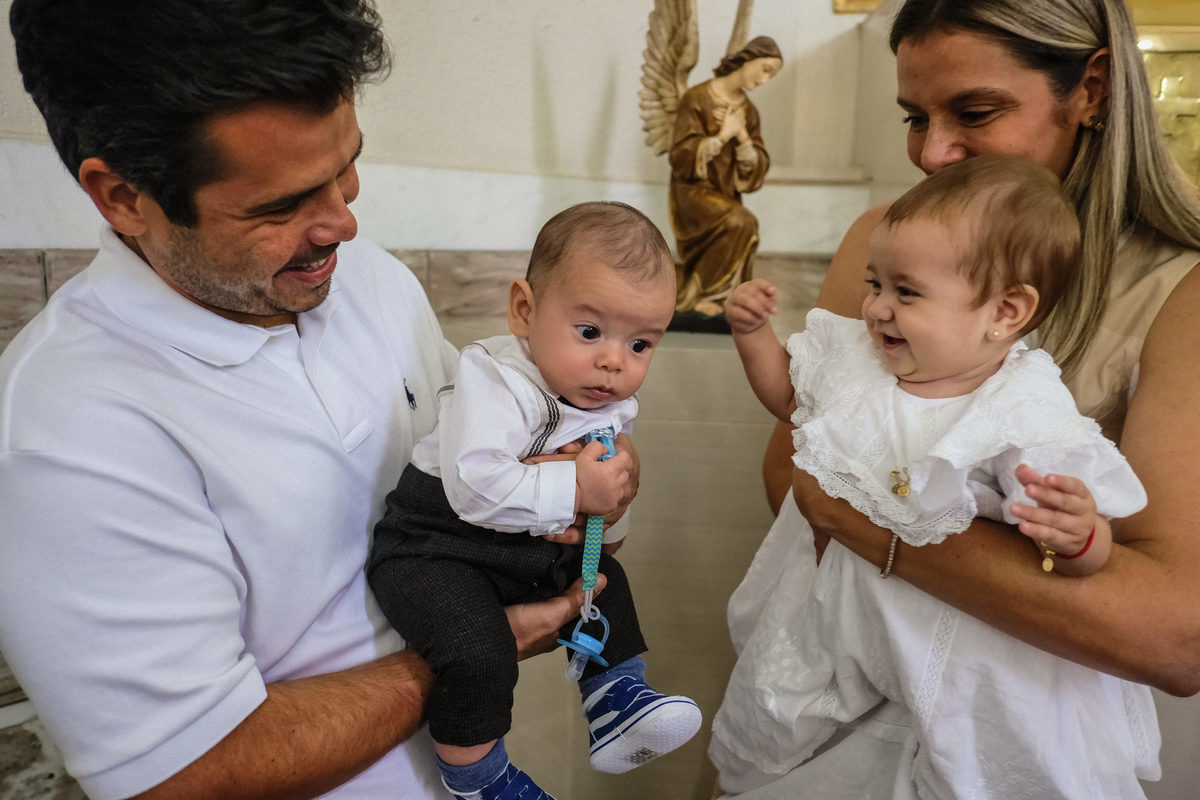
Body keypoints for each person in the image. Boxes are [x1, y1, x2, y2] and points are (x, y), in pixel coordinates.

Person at [0, 2, 633, 799]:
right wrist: (472, 649)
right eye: (281, 204)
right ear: (124, 197)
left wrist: (585, 473)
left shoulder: (366, 279)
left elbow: (486, 459)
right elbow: (184, 775)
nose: (343, 221)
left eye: (347, 166)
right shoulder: (65, 432)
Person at [748, 0, 1200, 796]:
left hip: (1020, 740)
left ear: (1092, 89)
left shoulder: (1180, 294)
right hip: (838, 705)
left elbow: (1174, 633)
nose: (932, 153)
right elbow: (790, 475)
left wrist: (869, 521)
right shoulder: (887, 245)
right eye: (914, 117)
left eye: (975, 112)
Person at [711, 155, 1156, 799]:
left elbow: (1081, 554)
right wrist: (753, 335)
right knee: (794, 735)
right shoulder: (859, 363)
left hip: (949, 637)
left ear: (1006, 312)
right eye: (875, 284)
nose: (877, 309)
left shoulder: (1019, 411)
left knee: (955, 760)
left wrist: (1082, 537)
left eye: (907, 292)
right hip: (832, 613)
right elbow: (788, 397)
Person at [367, 201, 702, 800]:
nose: (613, 361)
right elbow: (473, 486)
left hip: (520, 548)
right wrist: (577, 488)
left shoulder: (603, 398)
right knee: (477, 647)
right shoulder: (496, 380)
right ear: (525, 310)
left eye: (640, 344)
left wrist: (611, 511)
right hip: (436, 551)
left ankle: (616, 698)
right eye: (590, 332)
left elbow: (609, 483)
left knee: (607, 584)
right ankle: (479, 777)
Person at [668, 36, 782, 319]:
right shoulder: (696, 98)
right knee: (741, 222)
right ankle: (708, 296)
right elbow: (680, 156)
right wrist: (721, 137)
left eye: (771, 75)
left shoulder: (749, 112)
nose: (764, 80)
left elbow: (757, 165)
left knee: (742, 224)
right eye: (765, 69)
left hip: (725, 194)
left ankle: (723, 297)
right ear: (748, 59)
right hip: (692, 193)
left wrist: (742, 137)